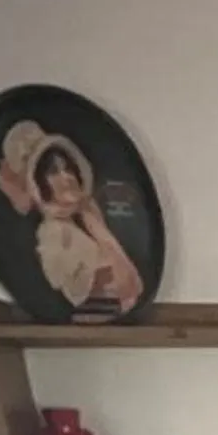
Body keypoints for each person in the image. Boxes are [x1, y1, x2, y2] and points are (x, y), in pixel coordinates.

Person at [29, 135, 143, 318]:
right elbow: (56, 278)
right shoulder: (52, 229)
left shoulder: (89, 217)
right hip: (89, 314)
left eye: (68, 169)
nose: (65, 177)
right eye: (54, 172)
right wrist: (97, 276)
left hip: (115, 312)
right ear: (42, 184)